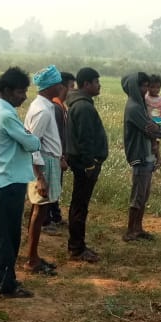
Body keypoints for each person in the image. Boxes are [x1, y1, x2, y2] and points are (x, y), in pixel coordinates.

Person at [0, 67, 41, 298]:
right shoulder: (6, 115)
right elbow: (32, 144)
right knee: (9, 236)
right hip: (10, 181)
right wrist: (30, 136)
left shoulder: (0, 110)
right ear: (7, 91)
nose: (24, 96)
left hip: (1, 179)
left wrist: (27, 135)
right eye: (21, 91)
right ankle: (7, 284)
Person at [23, 65, 64, 276]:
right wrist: (40, 177)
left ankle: (34, 256)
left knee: (41, 211)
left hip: (50, 162)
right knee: (39, 212)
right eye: (58, 83)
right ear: (50, 86)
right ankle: (31, 260)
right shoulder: (41, 110)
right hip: (43, 165)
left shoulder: (46, 106)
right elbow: (32, 144)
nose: (61, 86)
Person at [65, 67, 106, 263]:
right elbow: (85, 140)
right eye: (96, 82)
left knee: (79, 204)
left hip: (82, 162)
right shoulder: (83, 107)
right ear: (86, 84)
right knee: (80, 205)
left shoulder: (80, 104)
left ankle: (77, 245)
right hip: (84, 164)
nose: (99, 86)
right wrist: (90, 164)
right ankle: (76, 248)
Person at [122, 72, 161, 241]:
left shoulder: (140, 105)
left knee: (144, 194)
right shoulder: (134, 107)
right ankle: (130, 230)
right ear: (134, 87)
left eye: (147, 85)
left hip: (146, 153)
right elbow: (152, 129)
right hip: (139, 154)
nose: (146, 89)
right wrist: (160, 130)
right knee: (138, 195)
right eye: (143, 85)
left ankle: (138, 228)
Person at [41, 71, 74, 234]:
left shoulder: (61, 106)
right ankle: (45, 220)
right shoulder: (55, 107)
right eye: (71, 87)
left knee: (55, 186)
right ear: (62, 87)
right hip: (53, 156)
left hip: (59, 155)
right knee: (50, 187)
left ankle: (55, 216)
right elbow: (55, 136)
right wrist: (61, 156)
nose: (72, 91)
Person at [144, 74, 161, 168]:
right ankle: (158, 158)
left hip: (157, 122)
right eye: (152, 87)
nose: (155, 90)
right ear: (148, 87)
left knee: (152, 141)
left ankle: (158, 158)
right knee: (153, 140)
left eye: (157, 87)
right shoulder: (146, 98)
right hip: (151, 121)